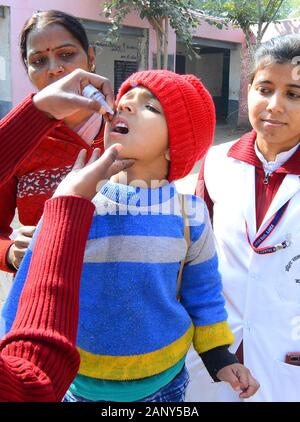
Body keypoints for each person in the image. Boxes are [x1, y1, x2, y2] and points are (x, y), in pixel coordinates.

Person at [3, 70, 259, 402]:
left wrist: (217, 355)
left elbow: (203, 292)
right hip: (76, 384)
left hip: (164, 385)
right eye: (123, 101)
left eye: (150, 107)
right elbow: (31, 289)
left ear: (174, 148)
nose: (123, 107)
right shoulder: (75, 204)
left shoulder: (189, 214)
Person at [186, 34, 300, 402]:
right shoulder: (217, 162)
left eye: (294, 94)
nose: (275, 105)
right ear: (249, 88)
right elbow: (195, 253)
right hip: (216, 350)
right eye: (264, 88)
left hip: (286, 353)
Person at [0, 143, 133, 401]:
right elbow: (32, 382)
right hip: (35, 323)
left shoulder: (121, 143)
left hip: (108, 356)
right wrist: (9, 253)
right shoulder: (26, 142)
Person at [0, 9, 109, 274]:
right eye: (38, 60)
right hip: (40, 298)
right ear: (27, 70)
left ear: (91, 58)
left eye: (67, 54)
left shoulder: (124, 132)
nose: (55, 69)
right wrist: (10, 252)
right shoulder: (15, 144)